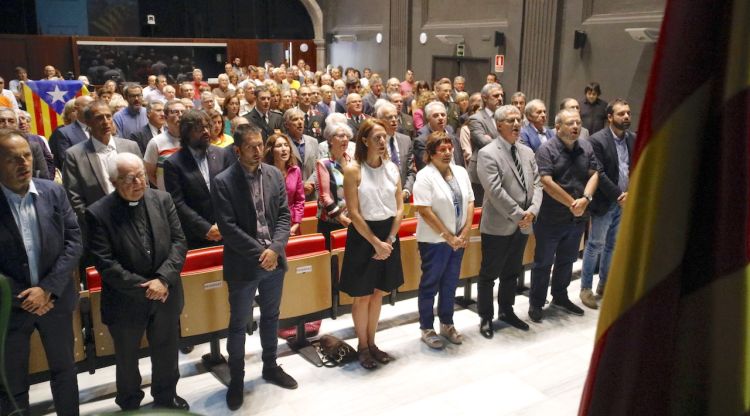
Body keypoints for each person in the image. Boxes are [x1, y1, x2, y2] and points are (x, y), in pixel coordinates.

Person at [86, 153, 188, 411]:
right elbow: (105, 263)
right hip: (126, 300)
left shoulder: (162, 199)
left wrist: (163, 279)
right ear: (113, 180)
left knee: (166, 350)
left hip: (166, 294)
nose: (138, 182)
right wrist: (146, 289)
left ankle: (166, 396)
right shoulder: (98, 213)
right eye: (129, 178)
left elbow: (179, 242)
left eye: (141, 175)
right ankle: (130, 401)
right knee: (127, 357)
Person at [212, 124, 297, 410]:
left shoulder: (273, 174)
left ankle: (270, 366)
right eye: (251, 146)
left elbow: (284, 215)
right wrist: (262, 253)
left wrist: (275, 248)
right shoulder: (224, 181)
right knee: (238, 324)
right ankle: (237, 379)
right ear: (237, 150)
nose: (258, 151)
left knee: (272, 316)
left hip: (273, 258)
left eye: (261, 145)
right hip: (244, 263)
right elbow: (228, 227)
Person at [0, 129, 82, 416]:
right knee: (12, 383)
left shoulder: (53, 191)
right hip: (11, 307)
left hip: (55, 300)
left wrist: (47, 288)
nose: (24, 163)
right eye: (13, 159)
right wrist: (26, 296)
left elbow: (73, 241)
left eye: (26, 155)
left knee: (64, 372)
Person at [340, 118, 404, 369]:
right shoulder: (353, 170)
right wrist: (376, 242)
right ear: (364, 141)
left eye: (384, 136)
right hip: (364, 236)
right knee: (363, 296)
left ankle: (373, 343)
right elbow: (354, 213)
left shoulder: (391, 168)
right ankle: (362, 346)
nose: (381, 141)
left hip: (388, 234)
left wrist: (388, 240)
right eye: (376, 137)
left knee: (379, 293)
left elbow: (399, 209)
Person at [476, 105, 543, 337]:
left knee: (512, 272)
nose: (517, 124)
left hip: (523, 223)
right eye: (511, 121)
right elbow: (494, 191)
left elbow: (537, 184)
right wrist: (519, 215)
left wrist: (532, 211)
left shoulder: (527, 152)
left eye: (519, 120)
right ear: (498, 125)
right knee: (489, 274)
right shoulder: (488, 153)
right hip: (498, 225)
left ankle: (506, 310)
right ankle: (485, 316)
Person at [529, 109, 599, 323]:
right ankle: (536, 303)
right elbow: (547, 183)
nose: (576, 126)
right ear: (557, 127)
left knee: (567, 260)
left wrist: (585, 199)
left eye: (578, 122)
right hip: (552, 218)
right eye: (570, 123)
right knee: (543, 262)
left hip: (577, 217)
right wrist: (572, 203)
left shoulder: (586, 146)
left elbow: (595, 173)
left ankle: (560, 296)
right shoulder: (546, 149)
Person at [412, 131, 474, 349]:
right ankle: (426, 328)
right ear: (430, 153)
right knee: (430, 284)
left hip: (458, 239)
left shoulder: (460, 171)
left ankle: (447, 323)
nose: (448, 152)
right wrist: (448, 236)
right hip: (434, 241)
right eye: (442, 149)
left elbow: (469, 201)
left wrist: (464, 232)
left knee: (450, 283)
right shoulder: (424, 176)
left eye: (450, 148)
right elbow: (425, 211)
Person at [580, 99, 634, 309]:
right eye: (621, 114)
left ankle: (604, 284)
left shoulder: (633, 138)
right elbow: (598, 173)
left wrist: (629, 194)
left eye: (628, 113)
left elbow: (635, 165)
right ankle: (586, 288)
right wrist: (619, 195)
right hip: (606, 201)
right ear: (610, 117)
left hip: (624, 202)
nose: (627, 117)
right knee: (595, 245)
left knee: (612, 246)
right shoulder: (597, 140)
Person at [63, 100, 142, 229]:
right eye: (99, 118)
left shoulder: (130, 146)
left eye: (108, 116)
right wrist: (92, 220)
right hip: (98, 224)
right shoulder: (74, 155)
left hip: (134, 217)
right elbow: (74, 196)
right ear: (88, 122)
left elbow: (144, 182)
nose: (105, 121)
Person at [163, 110, 234, 249]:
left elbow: (232, 190)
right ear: (186, 133)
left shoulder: (222, 154)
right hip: (196, 235)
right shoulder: (173, 163)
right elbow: (178, 203)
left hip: (226, 230)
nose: (206, 131)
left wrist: (225, 223)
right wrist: (205, 228)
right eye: (199, 129)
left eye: (207, 127)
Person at [314, 121, 354, 248]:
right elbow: (324, 197)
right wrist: (341, 218)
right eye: (341, 136)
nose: (345, 139)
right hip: (331, 223)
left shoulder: (353, 161)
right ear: (331, 140)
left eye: (347, 136)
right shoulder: (324, 163)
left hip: (353, 220)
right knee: (333, 264)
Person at [468, 83, 504, 205]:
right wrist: (506, 142)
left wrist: (492, 139)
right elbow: (484, 142)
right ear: (484, 98)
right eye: (495, 95)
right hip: (481, 173)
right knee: (480, 213)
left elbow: (517, 141)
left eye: (501, 95)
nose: (500, 98)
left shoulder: (505, 117)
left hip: (502, 171)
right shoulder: (476, 119)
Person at [265, 133, 304, 236]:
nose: (284, 149)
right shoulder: (264, 173)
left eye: (286, 145)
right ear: (271, 151)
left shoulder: (296, 170)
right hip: (271, 225)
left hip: (292, 225)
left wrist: (296, 223)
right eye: (279, 146)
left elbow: (299, 200)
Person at [49, 95, 94, 170]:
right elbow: (67, 163)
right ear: (76, 109)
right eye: (88, 106)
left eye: (94, 105)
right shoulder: (64, 133)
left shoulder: (100, 127)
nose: (93, 109)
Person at [283, 108, 320, 201]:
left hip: (312, 193)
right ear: (287, 125)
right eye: (295, 119)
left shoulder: (313, 141)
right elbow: (282, 168)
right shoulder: (283, 142)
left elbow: (318, 167)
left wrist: (311, 182)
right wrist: (302, 184)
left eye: (301, 119)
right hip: (292, 195)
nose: (300, 122)